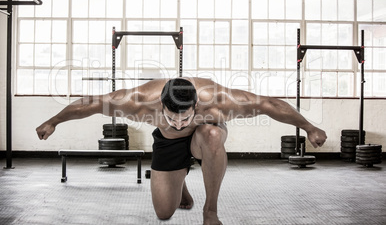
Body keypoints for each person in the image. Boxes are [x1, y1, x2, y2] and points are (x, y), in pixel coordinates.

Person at [36, 77, 327, 225]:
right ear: (159, 105)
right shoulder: (138, 102)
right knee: (165, 213)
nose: (178, 122)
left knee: (212, 133)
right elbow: (91, 103)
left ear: (196, 107)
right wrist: (53, 121)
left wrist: (309, 127)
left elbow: (270, 104)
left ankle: (210, 211)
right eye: (172, 116)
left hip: (203, 139)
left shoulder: (217, 101)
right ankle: (181, 180)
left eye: (184, 117)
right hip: (167, 145)